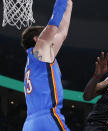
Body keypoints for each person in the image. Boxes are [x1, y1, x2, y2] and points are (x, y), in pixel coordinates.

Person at [21, 0, 73, 130]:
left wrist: (69, 4)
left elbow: (62, 32)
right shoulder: (39, 52)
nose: (53, 37)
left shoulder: (37, 60)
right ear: (36, 39)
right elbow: (53, 26)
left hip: (29, 124)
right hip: (46, 119)